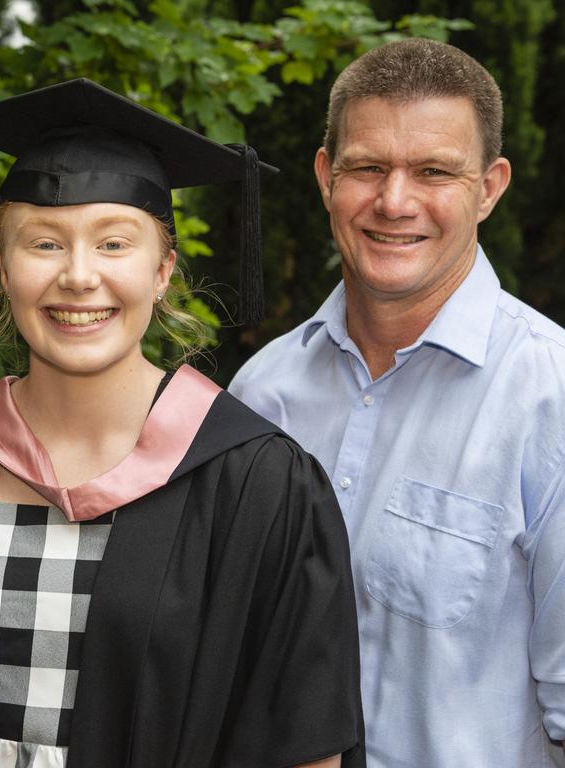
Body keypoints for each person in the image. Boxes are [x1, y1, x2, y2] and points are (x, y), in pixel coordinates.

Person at [0, 79, 365, 768]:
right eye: (43, 243)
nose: (77, 276)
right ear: (3, 269)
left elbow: (306, 751)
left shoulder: (259, 486)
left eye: (114, 243)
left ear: (162, 272)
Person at [230, 38, 565, 767]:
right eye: (368, 167)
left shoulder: (550, 402)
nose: (393, 201)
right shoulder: (261, 395)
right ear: (326, 176)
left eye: (434, 172)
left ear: (491, 186)